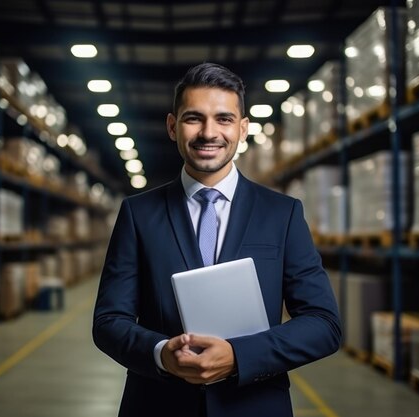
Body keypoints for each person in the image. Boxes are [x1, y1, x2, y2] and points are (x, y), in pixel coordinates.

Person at [92, 62, 341, 417]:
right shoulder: (139, 214)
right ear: (172, 126)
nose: (209, 132)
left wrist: (240, 356)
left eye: (224, 119)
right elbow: (108, 321)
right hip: (159, 405)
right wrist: (162, 353)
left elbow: (324, 323)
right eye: (194, 118)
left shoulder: (281, 214)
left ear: (242, 129)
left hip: (254, 405)